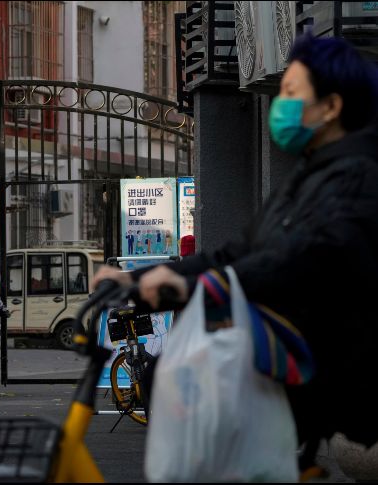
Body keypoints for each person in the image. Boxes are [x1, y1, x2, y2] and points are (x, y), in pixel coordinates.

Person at [94, 34, 378, 469]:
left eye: (290, 92)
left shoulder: (356, 175)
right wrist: (142, 279)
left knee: (180, 382)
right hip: (296, 355)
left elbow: (305, 258)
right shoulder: (308, 177)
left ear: (331, 107)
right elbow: (235, 251)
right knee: (168, 378)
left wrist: (212, 284)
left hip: (332, 365)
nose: (280, 104)